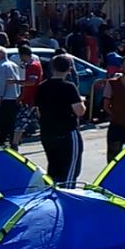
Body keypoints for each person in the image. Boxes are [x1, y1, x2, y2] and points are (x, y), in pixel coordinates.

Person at [35, 54, 85, 186]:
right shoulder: (69, 87)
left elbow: (39, 111)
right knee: (70, 170)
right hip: (67, 132)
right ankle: (66, 198)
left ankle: (52, 197)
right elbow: (79, 111)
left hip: (47, 132)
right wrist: (82, 101)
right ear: (69, 69)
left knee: (54, 168)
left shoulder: (42, 87)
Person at [9, 46, 43, 151]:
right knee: (39, 120)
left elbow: (31, 83)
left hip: (31, 100)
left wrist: (15, 82)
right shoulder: (31, 65)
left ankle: (14, 144)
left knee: (21, 121)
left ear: (23, 55)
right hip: (30, 98)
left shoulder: (33, 66)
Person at [0, 47, 21, 147]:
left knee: (4, 119)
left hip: (7, 96)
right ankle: (13, 138)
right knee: (13, 119)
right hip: (16, 95)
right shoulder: (14, 65)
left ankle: (2, 139)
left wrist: (0, 96)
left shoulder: (2, 66)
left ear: (0, 56)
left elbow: (1, 83)